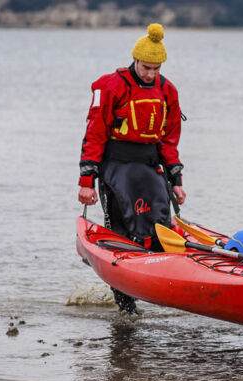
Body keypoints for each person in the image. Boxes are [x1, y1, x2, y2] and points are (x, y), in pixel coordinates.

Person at [77, 23, 186, 314]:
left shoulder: (167, 90)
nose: (151, 73)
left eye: (156, 68)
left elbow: (169, 139)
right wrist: (87, 180)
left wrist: (176, 180)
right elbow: (94, 133)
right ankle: (126, 309)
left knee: (159, 224)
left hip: (150, 167)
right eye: (146, 67)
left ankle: (165, 284)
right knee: (123, 233)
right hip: (116, 169)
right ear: (135, 60)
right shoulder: (111, 86)